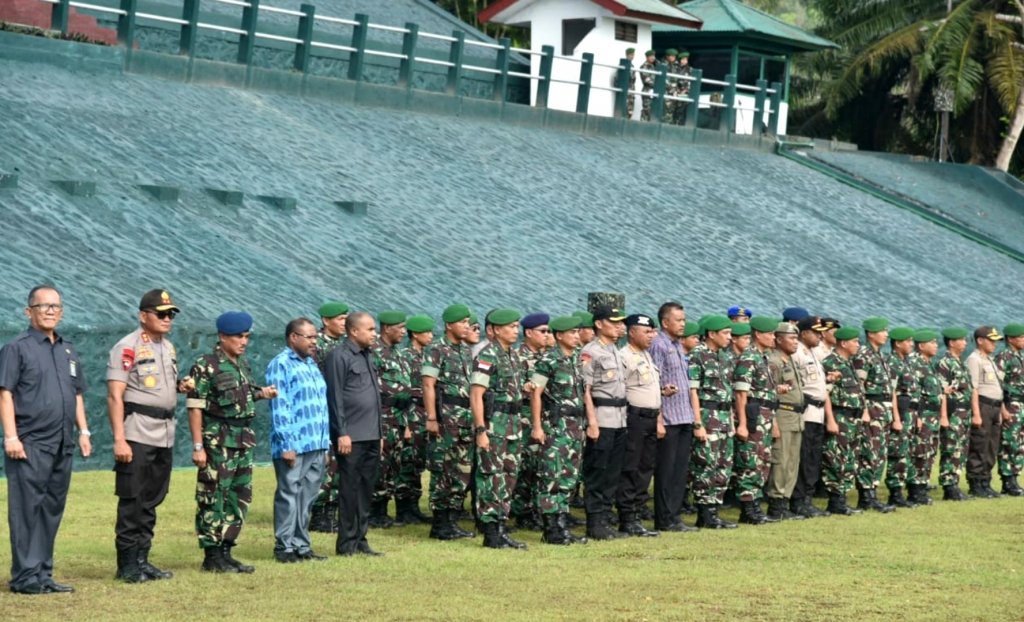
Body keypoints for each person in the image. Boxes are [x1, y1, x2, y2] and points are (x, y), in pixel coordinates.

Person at [1, 285, 92, 594]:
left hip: (63, 442)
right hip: (30, 444)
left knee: (52, 508)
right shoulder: (17, 347)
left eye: (56, 306)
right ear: (29, 311)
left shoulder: (68, 349)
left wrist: (84, 431)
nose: (51, 311)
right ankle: (25, 577)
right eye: (44, 306)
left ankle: (43, 574)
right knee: (27, 510)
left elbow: (77, 393)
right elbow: (5, 394)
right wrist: (11, 437)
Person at [106, 289, 188, 583]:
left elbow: (161, 385)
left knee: (153, 498)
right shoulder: (127, 347)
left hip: (164, 432)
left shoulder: (168, 347)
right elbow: (115, 396)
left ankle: (142, 559)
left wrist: (181, 386)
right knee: (132, 499)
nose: (168, 319)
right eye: (161, 314)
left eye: (171, 314)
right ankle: (127, 564)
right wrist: (119, 439)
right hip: (137, 431)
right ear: (143, 316)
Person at [186, 311, 277, 573]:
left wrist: (262, 394)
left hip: (242, 440)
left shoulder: (241, 364)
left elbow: (242, 396)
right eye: (239, 336)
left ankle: (226, 550)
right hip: (218, 441)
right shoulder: (206, 365)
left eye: (247, 336)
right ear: (223, 336)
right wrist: (197, 446)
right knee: (213, 496)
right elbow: (194, 407)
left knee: (239, 497)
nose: (244, 341)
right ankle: (212, 555)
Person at [266, 318, 330, 563]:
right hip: (295, 444)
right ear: (294, 337)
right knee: (289, 494)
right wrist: (286, 443)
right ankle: (284, 547)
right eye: (310, 337)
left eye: (315, 337)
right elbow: (280, 406)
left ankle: (302, 546)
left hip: (316, 443)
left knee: (308, 497)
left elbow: (320, 407)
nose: (315, 342)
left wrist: (326, 443)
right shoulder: (280, 365)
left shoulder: (311, 364)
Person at [325, 311, 384, 556]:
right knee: (349, 489)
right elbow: (335, 396)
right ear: (354, 331)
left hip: (371, 433)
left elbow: (374, 398)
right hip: (352, 436)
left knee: (366, 488)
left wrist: (379, 434)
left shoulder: (367, 355)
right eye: (370, 329)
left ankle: (361, 539)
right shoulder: (339, 356)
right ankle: (347, 543)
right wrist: (342, 432)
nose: (374, 334)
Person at [471, 308, 527, 549]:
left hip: (513, 425)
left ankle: (501, 526)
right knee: (491, 476)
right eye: (511, 327)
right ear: (494, 330)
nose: (516, 331)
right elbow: (476, 394)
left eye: (517, 326)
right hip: (494, 425)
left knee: (509, 475)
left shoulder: (512, 355)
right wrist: (481, 430)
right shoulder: (487, 355)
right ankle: (491, 532)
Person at [530, 315, 587, 545]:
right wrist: (536, 426)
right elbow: (535, 393)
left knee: (568, 477)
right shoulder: (548, 361)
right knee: (552, 476)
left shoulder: (575, 359)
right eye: (572, 333)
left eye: (577, 332)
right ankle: (552, 529)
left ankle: (562, 524)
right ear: (559, 335)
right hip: (556, 426)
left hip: (575, 427)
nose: (576, 336)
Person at [422, 304, 476, 540]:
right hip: (446, 421)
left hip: (464, 421)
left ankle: (452, 521)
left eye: (468, 322)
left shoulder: (464, 351)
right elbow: (428, 384)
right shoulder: (436, 350)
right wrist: (432, 417)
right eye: (462, 322)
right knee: (443, 471)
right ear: (449, 325)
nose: (466, 326)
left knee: (461, 472)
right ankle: (441, 524)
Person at [580, 305, 629, 540]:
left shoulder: (616, 351)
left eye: (621, 322)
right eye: (614, 321)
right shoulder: (591, 352)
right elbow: (586, 390)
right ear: (599, 324)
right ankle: (594, 523)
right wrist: (592, 422)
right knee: (597, 472)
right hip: (602, 417)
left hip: (620, 419)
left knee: (612, 472)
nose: (620, 326)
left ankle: (605, 519)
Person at [649, 302, 697, 532]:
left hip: (684, 415)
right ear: (665, 322)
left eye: (684, 320)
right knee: (666, 472)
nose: (682, 324)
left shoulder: (677, 345)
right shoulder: (658, 344)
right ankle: (665, 518)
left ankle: (675, 516)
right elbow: (654, 380)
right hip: (668, 417)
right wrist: (658, 419)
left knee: (679, 471)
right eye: (678, 320)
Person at [688, 314, 737, 529]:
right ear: (711, 334)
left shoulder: (724, 356)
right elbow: (693, 391)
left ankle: (714, 510)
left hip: (725, 417)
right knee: (705, 464)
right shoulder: (698, 355)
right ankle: (705, 512)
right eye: (725, 333)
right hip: (707, 416)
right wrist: (698, 423)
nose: (729, 337)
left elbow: (729, 391)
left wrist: (733, 421)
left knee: (724, 465)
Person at [731, 316, 779, 525]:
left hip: (765, 415)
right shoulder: (749, 358)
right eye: (769, 334)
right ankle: (748, 508)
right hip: (753, 414)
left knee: (762, 461)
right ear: (758, 335)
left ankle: (755, 505)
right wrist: (742, 423)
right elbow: (741, 394)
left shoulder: (763, 358)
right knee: (750, 460)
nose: (773, 338)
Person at [616, 314, 661, 537]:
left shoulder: (646, 355)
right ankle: (627, 516)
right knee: (630, 468)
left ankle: (637, 511)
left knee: (645, 468)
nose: (651, 336)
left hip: (651, 418)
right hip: (634, 418)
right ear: (632, 332)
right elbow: (619, 389)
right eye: (646, 332)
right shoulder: (624, 356)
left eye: (653, 332)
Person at [309, 300, 349, 533]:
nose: (344, 323)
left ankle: (331, 511)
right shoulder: (317, 346)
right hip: (323, 412)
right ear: (326, 321)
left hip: (340, 412)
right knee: (325, 464)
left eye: (346, 319)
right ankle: (318, 514)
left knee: (338, 465)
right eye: (340, 319)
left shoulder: (343, 345)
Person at [370, 311, 411, 528]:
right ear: (387, 328)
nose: (404, 331)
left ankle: (383, 511)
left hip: (398, 417)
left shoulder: (398, 353)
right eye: (400, 327)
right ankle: (374, 512)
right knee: (380, 464)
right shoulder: (374, 351)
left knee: (393, 464)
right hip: (382, 415)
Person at [790, 316, 835, 518]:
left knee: (813, 458)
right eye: (816, 332)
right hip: (806, 410)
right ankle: (799, 500)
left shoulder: (813, 353)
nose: (820, 336)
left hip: (817, 412)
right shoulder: (798, 352)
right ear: (804, 333)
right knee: (804, 456)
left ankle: (807, 499)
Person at [851, 317, 897, 513]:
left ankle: (873, 491)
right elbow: (859, 386)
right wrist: (864, 411)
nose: (886, 334)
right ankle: (866, 496)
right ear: (871, 333)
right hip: (872, 407)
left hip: (884, 409)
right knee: (869, 452)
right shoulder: (863, 355)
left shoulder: (880, 355)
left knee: (879, 453)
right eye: (882, 330)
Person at [820, 326, 866, 516]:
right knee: (835, 458)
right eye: (855, 341)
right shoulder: (831, 362)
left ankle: (843, 498)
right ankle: (835, 500)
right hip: (840, 416)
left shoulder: (849, 363)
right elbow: (826, 394)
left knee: (850, 459)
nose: (858, 345)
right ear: (844, 343)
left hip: (853, 418)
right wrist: (830, 419)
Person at [394, 314, 436, 523]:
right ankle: (404, 509)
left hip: (423, 414)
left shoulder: (426, 356)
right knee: (407, 461)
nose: (430, 335)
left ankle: (414, 507)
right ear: (415, 334)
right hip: (411, 412)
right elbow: (403, 391)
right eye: (426, 332)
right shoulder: (405, 356)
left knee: (418, 461)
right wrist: (407, 423)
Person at [511, 312, 550, 530]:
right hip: (523, 418)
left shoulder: (546, 358)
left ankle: (535, 510)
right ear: (529, 333)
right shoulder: (517, 357)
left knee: (539, 467)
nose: (547, 335)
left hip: (543, 417)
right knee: (524, 467)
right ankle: (522, 512)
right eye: (543, 331)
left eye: (548, 331)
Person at [766, 322, 806, 521]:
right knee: (780, 461)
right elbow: (769, 393)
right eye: (791, 338)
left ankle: (784, 501)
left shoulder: (789, 360)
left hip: (795, 417)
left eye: (796, 338)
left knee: (792, 462)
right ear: (779, 339)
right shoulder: (774, 361)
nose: (795, 342)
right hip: (782, 414)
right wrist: (772, 422)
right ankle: (776, 504)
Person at [965, 326, 1007, 498]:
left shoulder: (989, 360)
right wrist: (976, 413)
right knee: (979, 444)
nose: (994, 344)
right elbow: (973, 388)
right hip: (983, 405)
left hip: (995, 406)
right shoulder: (974, 359)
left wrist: (1002, 409)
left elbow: (997, 387)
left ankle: (985, 481)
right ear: (980, 340)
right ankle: (975, 483)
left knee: (991, 445)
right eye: (991, 340)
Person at [906, 329, 945, 505]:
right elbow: (914, 393)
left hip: (933, 415)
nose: (936, 345)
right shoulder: (915, 363)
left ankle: (923, 485)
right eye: (932, 342)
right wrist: (918, 415)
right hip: (923, 414)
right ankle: (915, 490)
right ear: (921, 346)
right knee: (919, 452)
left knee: (929, 452)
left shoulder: (929, 363)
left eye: (936, 342)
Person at [936, 327, 973, 501]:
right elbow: (942, 391)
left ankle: (955, 483)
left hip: (964, 412)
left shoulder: (961, 362)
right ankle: (949, 486)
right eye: (962, 339)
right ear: (951, 342)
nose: (965, 342)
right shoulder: (945, 363)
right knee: (951, 448)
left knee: (961, 449)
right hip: (953, 412)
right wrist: (943, 416)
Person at [885, 326, 919, 508]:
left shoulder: (906, 362)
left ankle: (902, 489)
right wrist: (896, 418)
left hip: (911, 414)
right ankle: (895, 492)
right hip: (900, 413)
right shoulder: (892, 363)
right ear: (897, 343)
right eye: (908, 341)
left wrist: (917, 416)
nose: (911, 344)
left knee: (907, 453)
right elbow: (892, 393)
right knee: (897, 453)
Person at [995, 323, 1024, 496]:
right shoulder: (1004, 357)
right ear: (1011, 339)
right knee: (1008, 443)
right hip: (1010, 404)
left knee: (1020, 443)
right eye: (1021, 337)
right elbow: (998, 385)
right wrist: (1002, 408)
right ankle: (1007, 480)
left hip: (1020, 405)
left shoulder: (1019, 356)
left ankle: (1015, 476)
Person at [638, 50, 657, 122]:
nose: (653, 58)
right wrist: (657, 85)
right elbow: (647, 80)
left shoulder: (653, 66)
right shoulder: (644, 66)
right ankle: (642, 126)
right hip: (647, 90)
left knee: (653, 110)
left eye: (654, 56)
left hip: (654, 91)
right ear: (647, 57)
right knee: (646, 110)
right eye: (651, 56)